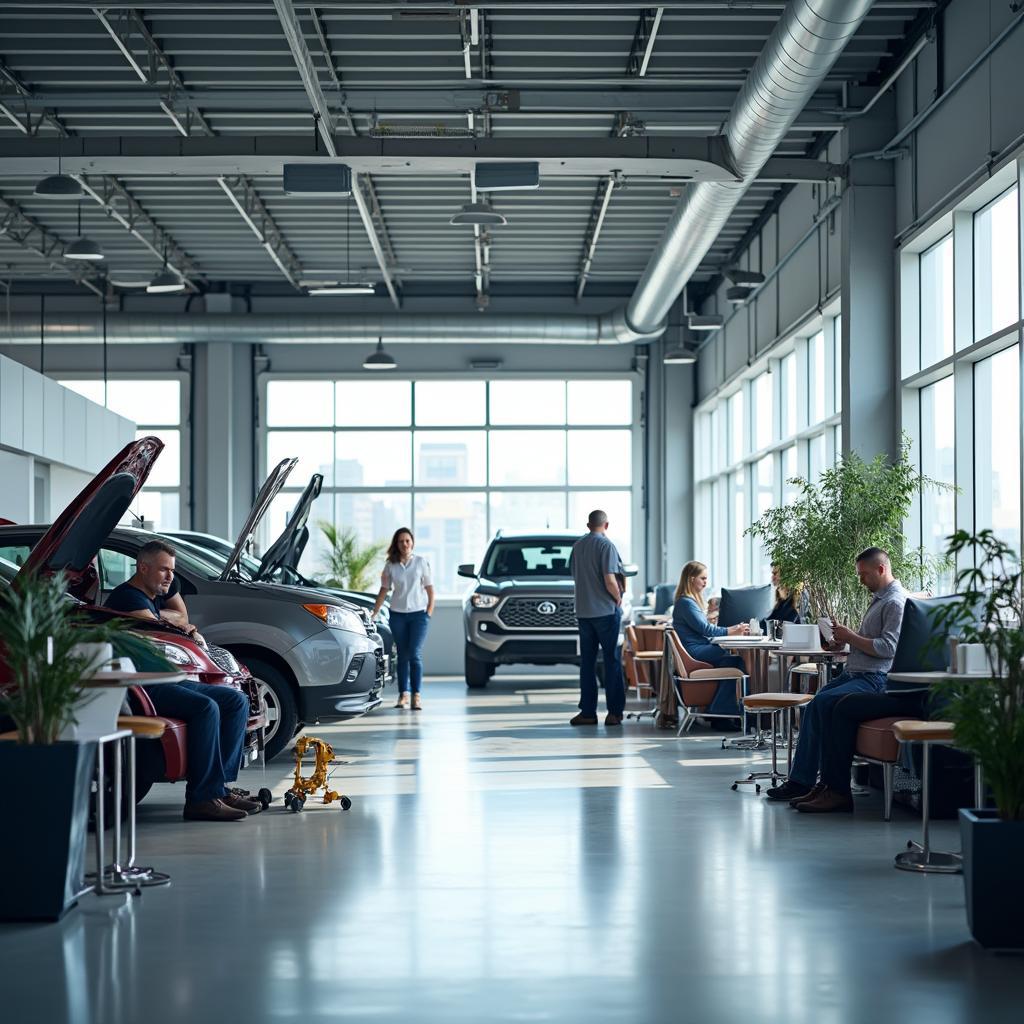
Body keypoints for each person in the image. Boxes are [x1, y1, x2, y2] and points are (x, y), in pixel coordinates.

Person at [104, 539, 259, 822]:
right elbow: (169, 622)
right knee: (205, 708)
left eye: (171, 571)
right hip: (141, 685)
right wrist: (168, 619)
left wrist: (164, 615)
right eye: (164, 570)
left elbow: (180, 617)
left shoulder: (151, 597)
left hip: (166, 678)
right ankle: (201, 800)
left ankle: (219, 789)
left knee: (235, 700)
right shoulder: (126, 598)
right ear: (143, 567)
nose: (170, 577)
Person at [765, 547, 907, 812]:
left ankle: (819, 785)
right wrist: (845, 647)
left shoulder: (895, 602)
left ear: (881, 569)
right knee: (816, 704)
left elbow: (889, 649)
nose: (861, 580)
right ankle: (806, 781)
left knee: (823, 703)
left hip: (874, 679)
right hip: (857, 672)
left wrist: (851, 636)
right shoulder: (880, 599)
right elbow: (872, 645)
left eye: (864, 575)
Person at [568, 510, 627, 727]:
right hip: (605, 612)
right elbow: (610, 579)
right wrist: (618, 598)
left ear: (588, 524)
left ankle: (588, 713)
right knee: (611, 661)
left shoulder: (578, 546)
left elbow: (576, 576)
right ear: (606, 525)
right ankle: (614, 714)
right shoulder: (606, 545)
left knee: (587, 664)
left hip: (584, 612)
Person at [671, 561, 749, 718]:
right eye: (703, 578)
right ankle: (722, 711)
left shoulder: (686, 602)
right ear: (691, 579)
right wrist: (734, 630)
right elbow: (706, 630)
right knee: (736, 661)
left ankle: (720, 711)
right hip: (695, 652)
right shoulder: (686, 602)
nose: (706, 583)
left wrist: (731, 630)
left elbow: (702, 628)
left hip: (694, 649)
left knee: (731, 662)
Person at [372, 527, 434, 711]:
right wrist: (374, 612)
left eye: (407, 541)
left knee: (414, 653)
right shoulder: (390, 565)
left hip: (418, 616)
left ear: (412, 542)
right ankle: (403, 695)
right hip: (397, 615)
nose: (405, 544)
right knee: (402, 655)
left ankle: (416, 695)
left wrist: (428, 612)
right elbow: (384, 590)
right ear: (396, 544)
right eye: (401, 541)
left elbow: (430, 589)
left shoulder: (421, 562)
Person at [763, 564, 807, 630]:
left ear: (786, 575)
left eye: (775, 574)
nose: (772, 577)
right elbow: (768, 622)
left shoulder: (796, 601)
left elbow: (780, 628)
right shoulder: (781, 602)